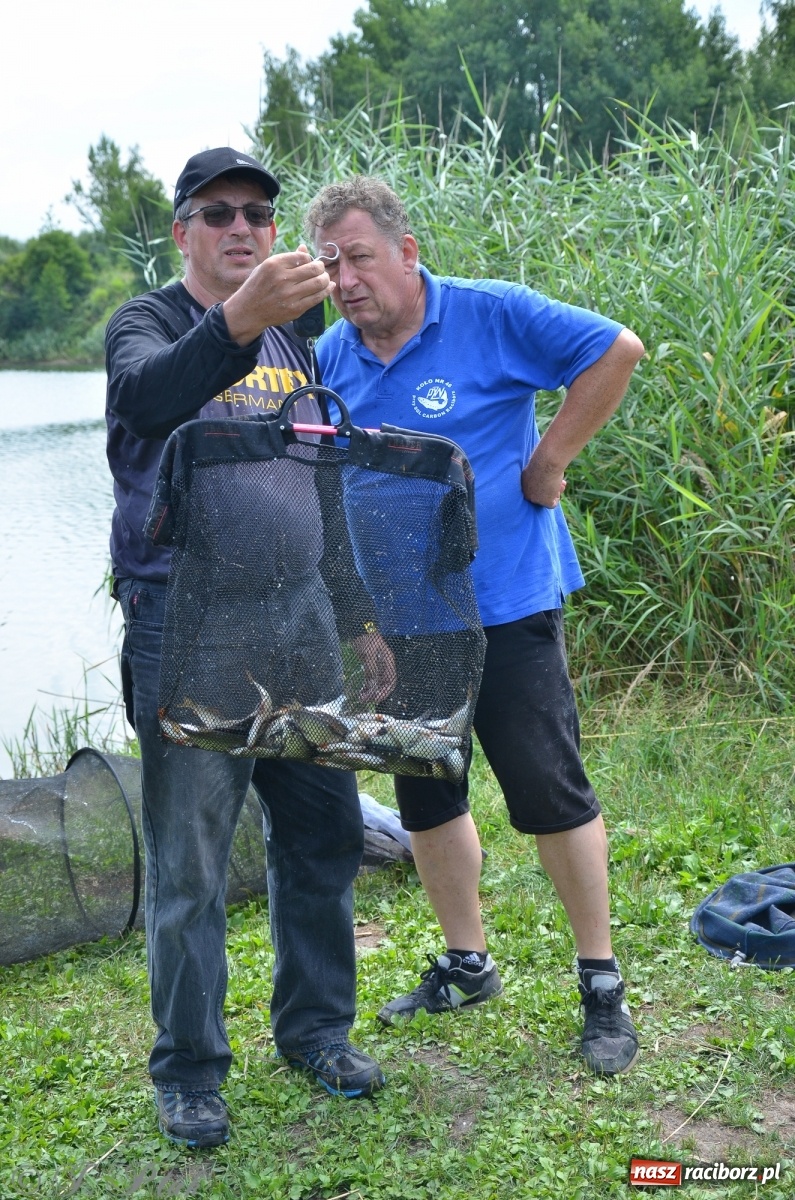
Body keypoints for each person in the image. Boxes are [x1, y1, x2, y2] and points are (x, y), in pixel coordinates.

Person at [303, 176, 646, 1077]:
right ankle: (467, 964)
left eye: (359, 258)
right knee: (426, 794)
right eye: (329, 265)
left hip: (506, 604)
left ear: (406, 252)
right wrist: (361, 623)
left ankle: (600, 984)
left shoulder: (490, 314)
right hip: (401, 625)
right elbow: (326, 489)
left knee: (549, 794)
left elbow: (615, 350)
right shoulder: (331, 355)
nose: (344, 281)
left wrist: (548, 463)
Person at [105, 148, 387, 1149]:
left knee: (323, 836)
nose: (241, 227)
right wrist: (235, 319)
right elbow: (147, 402)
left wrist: (356, 615)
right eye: (218, 211)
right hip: (188, 626)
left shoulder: (296, 340)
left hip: (301, 620)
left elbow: (322, 479)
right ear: (182, 229)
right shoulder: (145, 325)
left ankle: (316, 1033)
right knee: (190, 861)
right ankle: (189, 1072)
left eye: (259, 214)